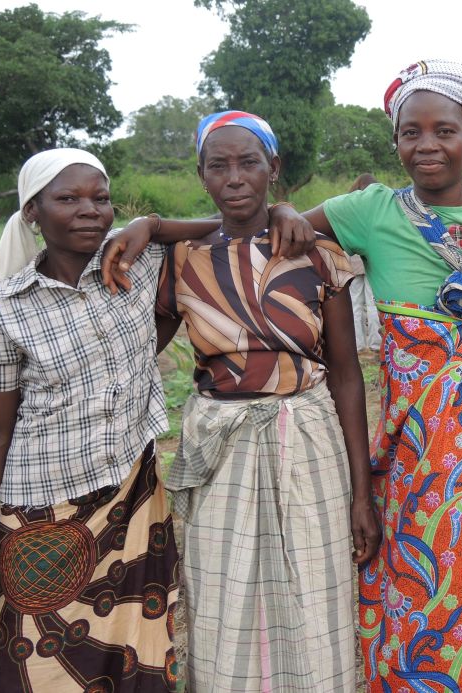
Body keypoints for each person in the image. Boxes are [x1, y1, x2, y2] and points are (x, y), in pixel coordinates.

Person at [100, 61, 462, 693]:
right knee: (426, 575)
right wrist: (153, 227)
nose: (426, 145)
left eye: (444, 131)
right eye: (411, 132)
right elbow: (253, 227)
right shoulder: (370, 210)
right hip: (424, 444)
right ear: (395, 140)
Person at [150, 110, 379, 691]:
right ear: (200, 175)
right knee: (224, 593)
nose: (235, 177)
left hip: (308, 437)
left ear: (273, 169)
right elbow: (136, 353)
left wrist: (362, 493)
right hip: (220, 447)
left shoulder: (317, 254)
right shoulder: (180, 260)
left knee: (314, 591)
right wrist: (150, 225)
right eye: (218, 165)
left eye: (249, 162)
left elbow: (347, 375)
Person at [0, 149, 180, 691]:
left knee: (133, 654)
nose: (89, 211)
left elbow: (230, 222)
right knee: (35, 663)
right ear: (32, 212)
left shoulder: (138, 263)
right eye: (67, 198)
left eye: (100, 198)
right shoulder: (6, 311)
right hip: (42, 518)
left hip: (133, 499)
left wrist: (147, 224)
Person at [348, 173, 382, 352]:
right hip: (373, 261)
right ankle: (376, 344)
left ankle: (358, 344)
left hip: (352, 261)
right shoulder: (378, 208)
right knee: (372, 302)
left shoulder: (348, 206)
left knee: (354, 304)